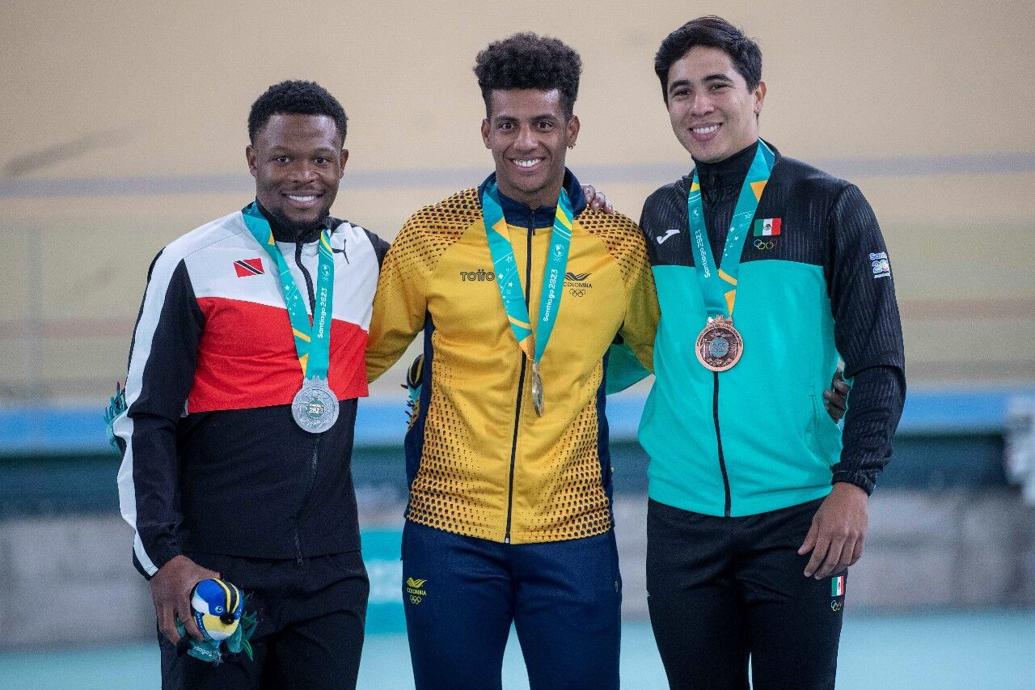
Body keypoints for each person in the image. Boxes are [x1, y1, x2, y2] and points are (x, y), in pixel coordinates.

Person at [365, 33, 658, 690]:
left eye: (542, 124)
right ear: (486, 130)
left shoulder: (617, 245)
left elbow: (659, 352)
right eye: (508, 124)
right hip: (448, 530)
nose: (525, 141)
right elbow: (358, 356)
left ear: (571, 128)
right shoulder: (431, 233)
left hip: (572, 528)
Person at [638, 16, 906, 689]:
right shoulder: (658, 215)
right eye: (679, 92)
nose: (698, 106)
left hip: (797, 515)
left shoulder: (827, 205)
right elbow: (623, 348)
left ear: (756, 92)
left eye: (715, 85)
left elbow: (878, 362)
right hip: (681, 519)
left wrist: (853, 484)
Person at [113, 80, 388, 689]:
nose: (303, 175)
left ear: (342, 162)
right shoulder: (192, 260)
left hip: (330, 572)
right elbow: (143, 417)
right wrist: (165, 557)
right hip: (213, 568)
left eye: (320, 159)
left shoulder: (368, 256)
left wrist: (575, 207)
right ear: (252, 160)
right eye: (283, 157)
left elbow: (460, 282)